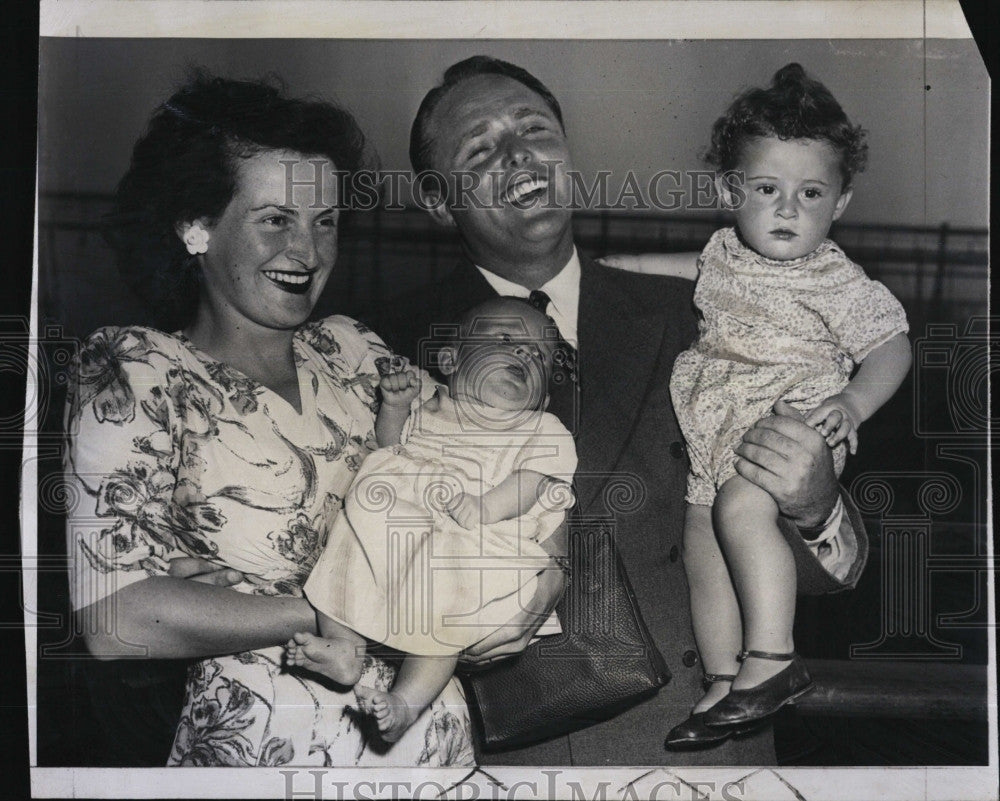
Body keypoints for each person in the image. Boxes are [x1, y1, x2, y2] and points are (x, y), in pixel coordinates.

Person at [376, 55, 871, 766]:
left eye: (535, 129)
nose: (518, 155)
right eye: (480, 148)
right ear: (433, 198)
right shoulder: (383, 351)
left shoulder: (705, 316)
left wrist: (816, 503)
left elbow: (831, 578)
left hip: (701, 757)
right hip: (492, 764)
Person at [63, 73, 476, 766]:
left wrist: (228, 610)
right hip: (264, 756)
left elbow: (491, 491)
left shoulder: (358, 352)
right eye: (275, 219)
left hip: (435, 754)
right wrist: (340, 610)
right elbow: (114, 617)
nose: (308, 253)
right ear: (196, 227)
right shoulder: (134, 367)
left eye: (324, 222)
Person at [608, 64, 910, 748]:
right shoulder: (722, 254)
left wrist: (853, 404)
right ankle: (723, 681)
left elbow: (893, 347)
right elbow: (677, 266)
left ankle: (773, 655)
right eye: (767, 189)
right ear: (728, 191)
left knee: (741, 511)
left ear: (841, 202)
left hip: (790, 426)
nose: (787, 210)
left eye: (811, 193)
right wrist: (608, 267)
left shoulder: (836, 279)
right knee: (703, 539)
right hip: (715, 433)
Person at [286, 296, 576, 742]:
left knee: (443, 623)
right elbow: (393, 449)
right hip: (407, 533)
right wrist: (396, 407)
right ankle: (344, 647)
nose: (524, 354)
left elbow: (533, 481)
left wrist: (486, 507)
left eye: (539, 355)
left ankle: (407, 702)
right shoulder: (430, 410)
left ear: (545, 395)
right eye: (505, 339)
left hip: (479, 540)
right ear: (450, 360)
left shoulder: (541, 427)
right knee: (348, 545)